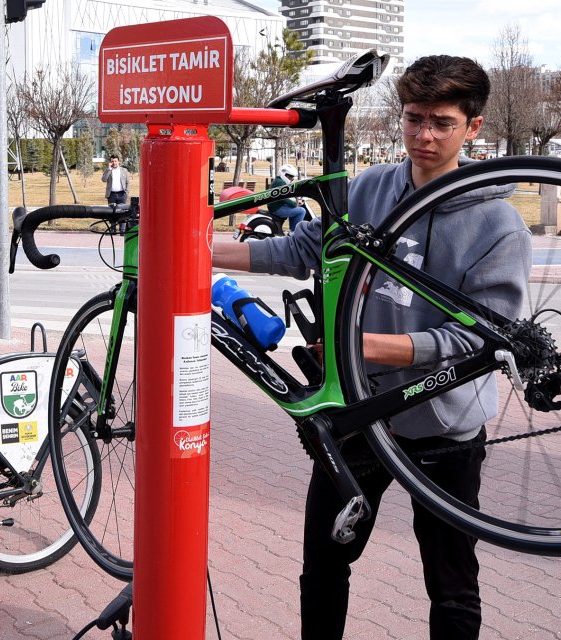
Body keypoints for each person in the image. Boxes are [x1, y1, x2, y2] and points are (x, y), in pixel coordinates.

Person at [213, 55, 532, 639]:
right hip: (357, 414)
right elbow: (297, 251)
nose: (425, 136)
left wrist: (359, 347)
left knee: (452, 585)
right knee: (324, 568)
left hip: (444, 427)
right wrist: (193, 249)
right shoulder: (370, 187)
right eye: (414, 119)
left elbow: (478, 338)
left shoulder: (499, 225)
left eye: (441, 122)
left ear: (473, 127)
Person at [268, 163, 309, 230]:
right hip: (277, 209)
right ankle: (294, 232)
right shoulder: (280, 183)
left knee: (296, 209)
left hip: (276, 206)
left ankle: (292, 231)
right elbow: (284, 199)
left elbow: (286, 195)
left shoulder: (279, 181)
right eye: (290, 176)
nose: (292, 179)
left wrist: (296, 198)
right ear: (284, 174)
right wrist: (295, 203)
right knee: (302, 211)